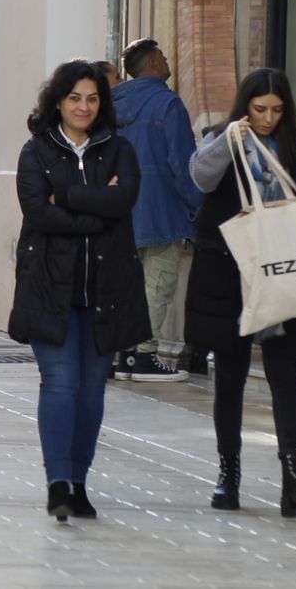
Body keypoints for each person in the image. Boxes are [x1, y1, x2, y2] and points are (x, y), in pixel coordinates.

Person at [186, 68, 296, 517]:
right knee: (230, 379)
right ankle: (228, 476)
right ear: (245, 106)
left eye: (277, 110)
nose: (267, 118)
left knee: (284, 380)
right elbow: (201, 177)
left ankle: (292, 478)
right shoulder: (222, 136)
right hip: (230, 277)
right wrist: (229, 138)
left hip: (285, 278)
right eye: (259, 109)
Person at [9, 60, 149, 522]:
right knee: (61, 384)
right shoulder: (36, 152)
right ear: (58, 102)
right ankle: (57, 483)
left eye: (92, 98)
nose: (84, 107)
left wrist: (65, 195)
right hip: (51, 286)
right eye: (74, 98)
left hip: (107, 288)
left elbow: (123, 199)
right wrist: (97, 211)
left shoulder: (120, 150)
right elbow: (39, 214)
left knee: (91, 391)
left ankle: (80, 482)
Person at [110, 38, 204, 382]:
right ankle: (143, 354)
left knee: (126, 286)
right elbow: (183, 163)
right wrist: (196, 209)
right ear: (153, 64)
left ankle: (123, 353)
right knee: (158, 284)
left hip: (119, 211)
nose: (167, 61)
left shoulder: (111, 103)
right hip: (161, 210)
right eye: (163, 56)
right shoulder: (168, 104)